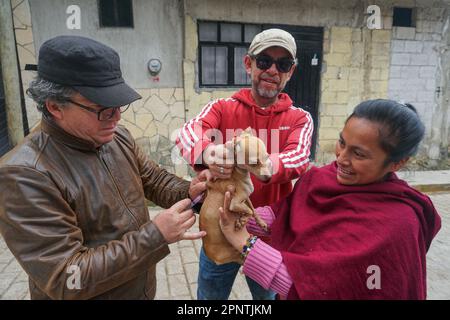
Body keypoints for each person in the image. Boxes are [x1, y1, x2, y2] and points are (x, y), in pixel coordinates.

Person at [0, 35, 209, 300]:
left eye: (118, 104)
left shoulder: (116, 137)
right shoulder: (24, 174)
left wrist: (190, 190)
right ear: (55, 106)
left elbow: (154, 180)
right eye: (102, 108)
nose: (117, 116)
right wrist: (155, 237)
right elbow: (67, 277)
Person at [219, 99, 442, 299]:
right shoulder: (321, 177)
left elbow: (314, 288)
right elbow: (282, 216)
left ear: (397, 163)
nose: (341, 159)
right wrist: (226, 211)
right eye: (342, 143)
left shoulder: (398, 224)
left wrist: (243, 241)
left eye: (359, 154)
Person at [176, 28, 313, 300]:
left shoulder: (300, 118)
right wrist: (208, 153)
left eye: (283, 64)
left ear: (291, 72)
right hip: (218, 235)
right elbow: (187, 133)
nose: (273, 70)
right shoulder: (222, 107)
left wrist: (257, 163)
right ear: (248, 64)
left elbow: (298, 157)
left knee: (266, 300)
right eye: (264, 61)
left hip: (267, 240)